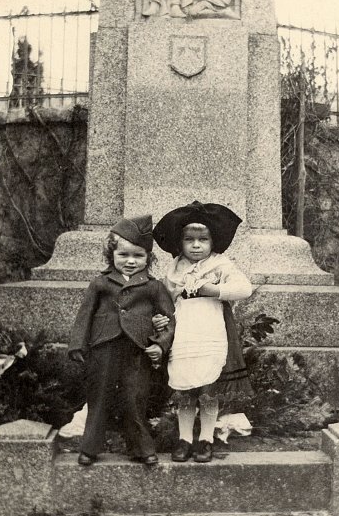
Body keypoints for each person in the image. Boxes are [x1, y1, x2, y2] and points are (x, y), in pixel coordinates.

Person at [68, 215, 175, 466]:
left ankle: (141, 448)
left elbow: (170, 319)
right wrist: (77, 344)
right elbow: (85, 316)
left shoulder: (153, 286)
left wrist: (160, 344)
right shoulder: (101, 283)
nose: (130, 261)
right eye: (123, 255)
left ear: (148, 258)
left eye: (138, 256)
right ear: (111, 255)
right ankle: (90, 448)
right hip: (103, 347)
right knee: (99, 397)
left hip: (138, 350)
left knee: (134, 398)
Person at [153, 200, 253, 463]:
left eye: (203, 239)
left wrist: (215, 290)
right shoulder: (174, 269)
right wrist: (162, 318)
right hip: (185, 331)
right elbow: (165, 300)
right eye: (189, 239)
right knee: (185, 387)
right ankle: (185, 438)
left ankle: (206, 439)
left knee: (208, 388)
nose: (196, 245)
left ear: (213, 241)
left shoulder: (220, 266)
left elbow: (245, 288)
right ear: (180, 242)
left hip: (211, 328)